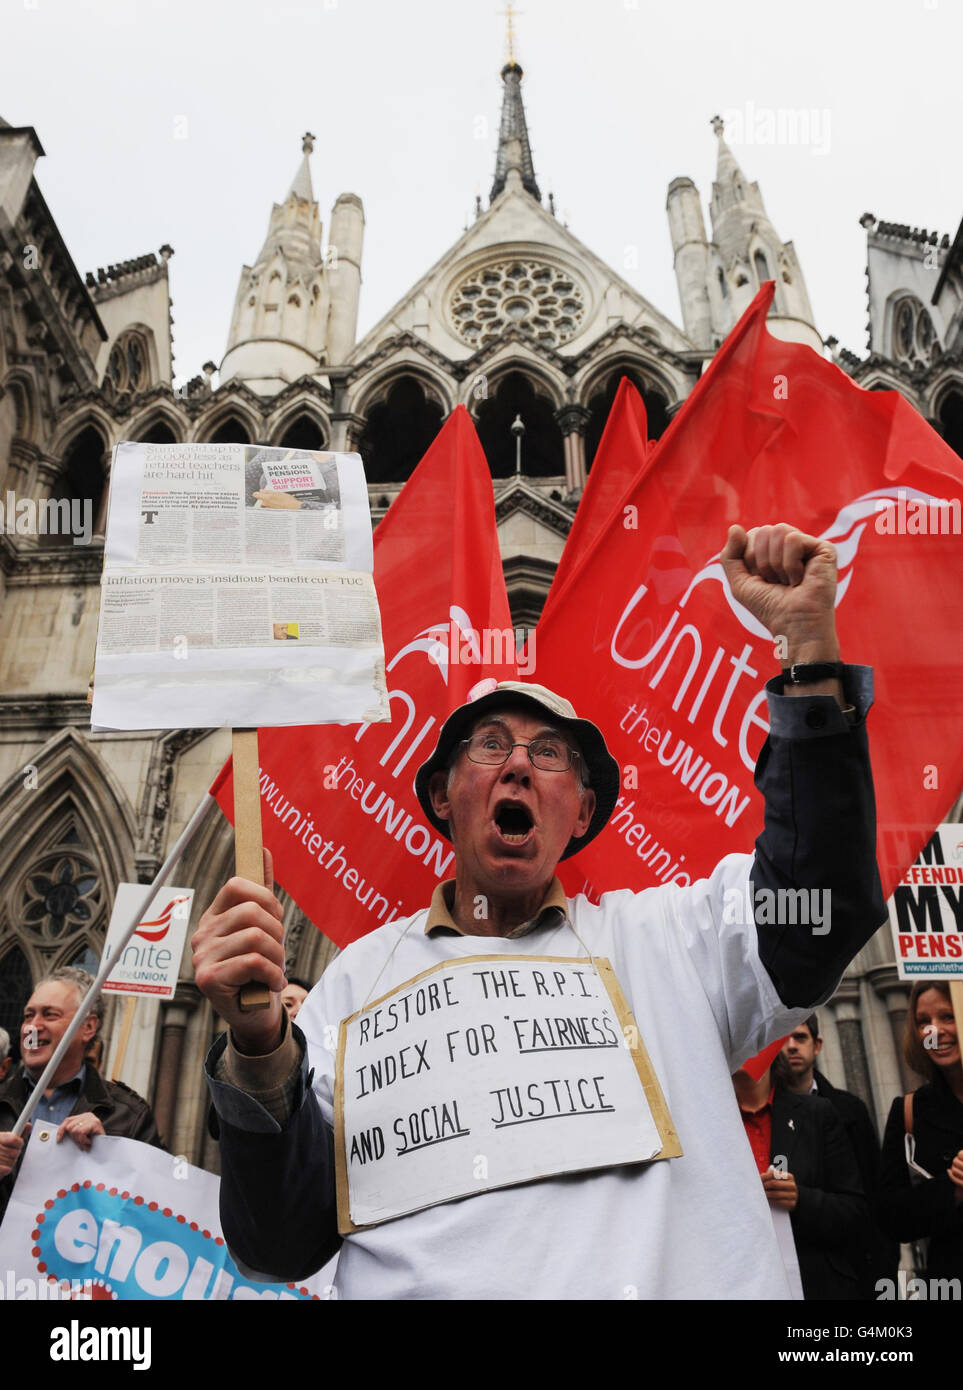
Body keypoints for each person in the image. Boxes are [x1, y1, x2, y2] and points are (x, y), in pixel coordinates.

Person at [193, 522, 888, 1299]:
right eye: (489, 745)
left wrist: (809, 659)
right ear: (440, 796)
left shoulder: (672, 941)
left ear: (582, 811)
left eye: (549, 753)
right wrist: (257, 1046)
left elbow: (821, 900)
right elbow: (279, 1241)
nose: (519, 763)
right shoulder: (354, 985)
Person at [0, 968, 166, 1221]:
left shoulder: (128, 1114)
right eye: (28, 1016)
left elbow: (156, 1209)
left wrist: (109, 1154)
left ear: (87, 1027)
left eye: (49, 1015)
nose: (32, 1028)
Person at [781, 1013, 897, 1295]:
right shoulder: (768, 1113)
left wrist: (883, 1268)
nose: (792, 1046)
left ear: (817, 1045)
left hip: (853, 1263)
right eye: (783, 1039)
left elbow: (873, 1193)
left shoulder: (849, 1110)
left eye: (800, 1037)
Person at [733, 1054, 866, 1299]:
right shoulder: (703, 1125)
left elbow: (855, 1213)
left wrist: (801, 1200)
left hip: (814, 1284)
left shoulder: (817, 1114)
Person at [877, 981, 963, 1282]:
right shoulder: (909, 1110)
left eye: (948, 1016)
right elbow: (891, 1218)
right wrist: (952, 1188)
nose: (934, 1031)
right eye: (923, 1022)